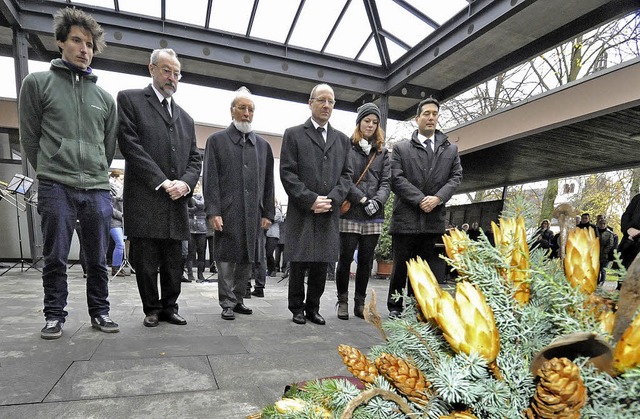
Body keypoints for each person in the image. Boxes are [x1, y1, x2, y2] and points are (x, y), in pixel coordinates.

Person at [19, 7, 119, 339]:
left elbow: (108, 145)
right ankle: (54, 315)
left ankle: (100, 312)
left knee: (97, 259)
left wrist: (96, 171)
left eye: (89, 44)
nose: (84, 49)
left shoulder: (104, 98)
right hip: (55, 185)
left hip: (96, 188)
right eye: (76, 40)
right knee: (56, 256)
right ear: (61, 42)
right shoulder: (37, 83)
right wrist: (50, 166)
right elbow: (30, 137)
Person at [117, 48, 202, 328]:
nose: (172, 77)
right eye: (167, 70)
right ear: (151, 69)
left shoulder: (187, 118)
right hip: (146, 197)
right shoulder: (130, 100)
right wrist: (162, 181)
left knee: (173, 260)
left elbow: (194, 158)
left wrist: (186, 183)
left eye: (177, 73)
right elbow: (131, 146)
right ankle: (151, 308)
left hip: (176, 200)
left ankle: (170, 306)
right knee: (146, 259)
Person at [280, 83, 352, 325]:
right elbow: (287, 173)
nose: (326, 105)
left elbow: (347, 175)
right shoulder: (293, 134)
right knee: (299, 261)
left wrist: (331, 200)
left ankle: (313, 307)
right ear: (310, 103)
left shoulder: (342, 140)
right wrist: (310, 200)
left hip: (328, 211)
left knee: (322, 262)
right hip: (303, 210)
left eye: (331, 101)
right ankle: (297, 308)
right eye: (321, 100)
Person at [203, 87, 275, 320]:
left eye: (250, 109)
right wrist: (213, 210)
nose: (246, 113)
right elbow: (210, 179)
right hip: (227, 210)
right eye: (242, 108)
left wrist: (268, 213)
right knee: (225, 258)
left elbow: (268, 183)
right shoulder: (216, 141)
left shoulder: (263, 146)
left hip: (254, 212)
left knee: (248, 255)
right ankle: (226, 301)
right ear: (232, 110)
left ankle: (239, 298)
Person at [387, 97, 462, 318]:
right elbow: (396, 179)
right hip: (406, 220)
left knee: (424, 270)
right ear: (417, 118)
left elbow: (456, 177)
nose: (431, 117)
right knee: (401, 267)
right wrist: (421, 199)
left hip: (432, 221)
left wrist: (437, 199)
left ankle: (418, 307)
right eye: (426, 113)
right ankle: (395, 307)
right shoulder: (401, 148)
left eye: (435, 114)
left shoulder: (451, 149)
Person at [335, 103, 390, 320]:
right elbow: (344, 178)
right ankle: (342, 301)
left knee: (366, 261)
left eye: (374, 122)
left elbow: (386, 181)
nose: (370, 125)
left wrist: (377, 201)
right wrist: (363, 198)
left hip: (374, 215)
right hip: (351, 212)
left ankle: (359, 303)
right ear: (359, 123)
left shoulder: (383, 152)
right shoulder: (348, 147)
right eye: (367, 121)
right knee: (345, 258)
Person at [187, 181, 208, 282]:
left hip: (202, 229)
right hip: (191, 227)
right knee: (190, 252)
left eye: (197, 186)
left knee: (201, 252)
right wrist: (195, 208)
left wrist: (195, 207)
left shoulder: (204, 197)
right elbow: (187, 209)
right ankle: (190, 274)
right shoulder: (188, 196)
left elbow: (204, 206)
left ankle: (200, 274)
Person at [109, 170, 127, 277]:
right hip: (114, 221)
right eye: (121, 178)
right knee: (120, 243)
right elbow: (110, 208)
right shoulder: (110, 190)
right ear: (114, 178)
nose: (122, 181)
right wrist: (122, 215)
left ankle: (118, 266)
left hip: (121, 221)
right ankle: (115, 268)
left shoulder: (121, 190)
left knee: (122, 244)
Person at [619, 194, 640, 270]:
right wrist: (627, 229)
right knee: (624, 275)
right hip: (631, 242)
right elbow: (626, 215)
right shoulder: (637, 198)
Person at [596, 217, 615, 285]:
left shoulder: (609, 233)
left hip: (605, 256)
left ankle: (602, 282)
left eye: (604, 223)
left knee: (603, 270)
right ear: (598, 224)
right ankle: (596, 282)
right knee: (597, 269)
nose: (602, 225)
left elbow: (610, 244)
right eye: (601, 223)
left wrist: (604, 252)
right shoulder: (595, 231)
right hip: (596, 253)